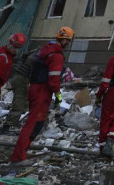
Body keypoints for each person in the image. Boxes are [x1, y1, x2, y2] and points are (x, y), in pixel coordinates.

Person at [10, 26, 74, 165]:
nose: (68, 44)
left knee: (35, 123)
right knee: (33, 124)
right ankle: (18, 157)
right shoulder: (56, 55)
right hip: (43, 91)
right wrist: (58, 97)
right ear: (65, 40)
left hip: (34, 87)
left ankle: (22, 151)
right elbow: (54, 80)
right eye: (68, 41)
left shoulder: (45, 50)